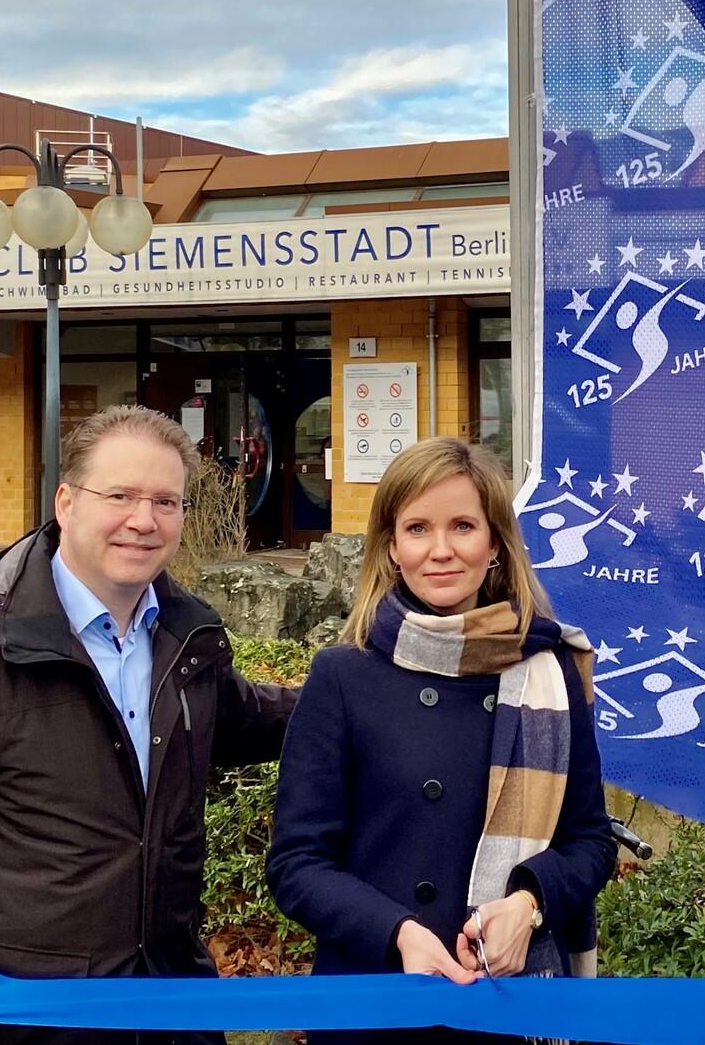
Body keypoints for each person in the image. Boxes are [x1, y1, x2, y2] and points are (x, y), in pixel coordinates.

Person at [0, 406, 298, 1045]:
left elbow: (243, 718)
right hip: (25, 1018)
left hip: (171, 1007)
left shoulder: (186, 639)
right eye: (120, 496)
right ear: (67, 502)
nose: (144, 521)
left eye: (166, 501)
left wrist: (357, 693)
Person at [267, 437, 614, 1041]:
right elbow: (297, 864)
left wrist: (528, 904)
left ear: (496, 544)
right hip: (377, 1004)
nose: (442, 551)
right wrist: (398, 932)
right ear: (393, 548)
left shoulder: (550, 671)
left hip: (512, 1006)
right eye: (418, 529)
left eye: (463, 526)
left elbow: (590, 841)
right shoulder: (344, 675)